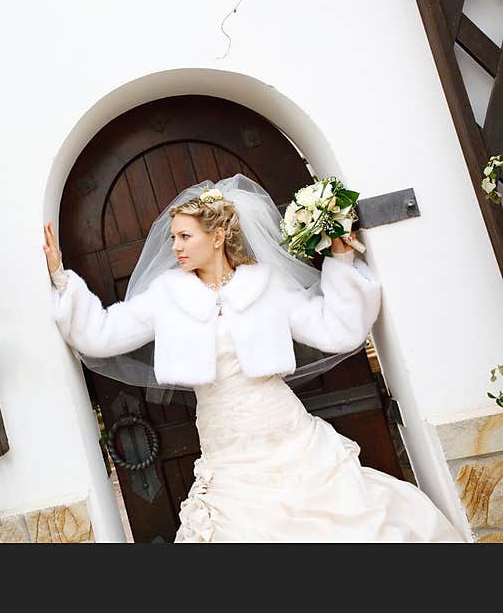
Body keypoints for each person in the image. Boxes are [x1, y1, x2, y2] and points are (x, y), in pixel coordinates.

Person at [43, 177, 465, 543]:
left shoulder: (265, 285)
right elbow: (101, 333)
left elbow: (335, 329)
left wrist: (340, 260)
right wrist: (63, 280)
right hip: (226, 445)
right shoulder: (167, 295)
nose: (175, 247)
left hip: (288, 432)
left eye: (185, 236)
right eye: (173, 237)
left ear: (218, 237)